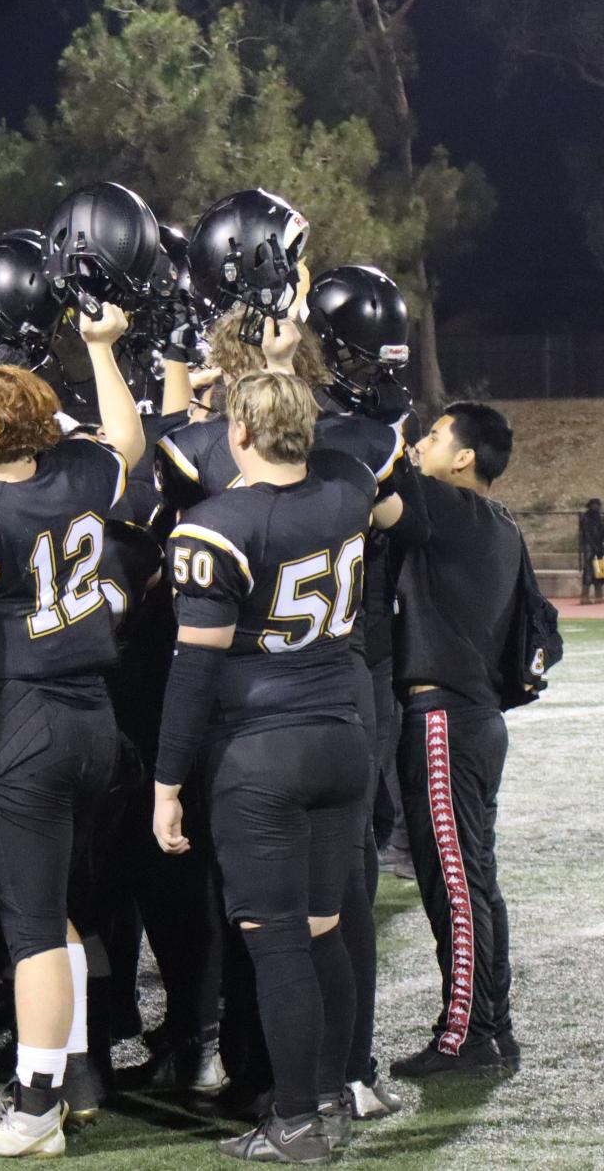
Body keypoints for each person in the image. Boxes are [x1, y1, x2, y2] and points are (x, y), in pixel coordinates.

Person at [151, 372, 403, 1163]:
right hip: (342, 733)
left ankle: (294, 1121)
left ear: (238, 435)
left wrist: (165, 784)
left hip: (260, 748)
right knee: (324, 927)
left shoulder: (216, 526)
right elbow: (389, 503)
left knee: (276, 940)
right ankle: (328, 1091)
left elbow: (192, 673)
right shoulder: (349, 488)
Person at [0, 306, 145, 1158]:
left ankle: (36, 1113)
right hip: (96, 717)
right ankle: (64, 1082)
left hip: (25, 722)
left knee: (33, 930)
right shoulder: (81, 472)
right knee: (63, 915)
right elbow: (126, 440)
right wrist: (101, 350)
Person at [389, 402, 527, 1080]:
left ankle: (466, 1033)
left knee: (455, 883)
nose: (420, 445)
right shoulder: (499, 521)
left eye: (434, 436)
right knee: (475, 878)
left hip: (443, 714)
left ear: (464, 457)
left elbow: (381, 472)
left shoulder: (445, 505)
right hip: (476, 714)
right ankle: (491, 1027)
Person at [577, 499, 604, 605]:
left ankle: (599, 595)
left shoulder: (601, 518)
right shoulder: (586, 518)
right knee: (589, 572)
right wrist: (593, 546)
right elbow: (586, 534)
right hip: (589, 548)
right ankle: (584, 596)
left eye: (597, 505)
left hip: (599, 548)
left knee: (600, 570)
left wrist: (602, 545)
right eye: (594, 505)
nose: (596, 507)